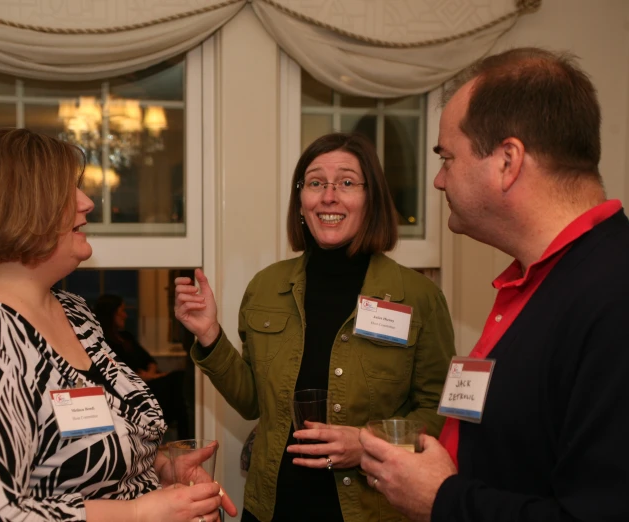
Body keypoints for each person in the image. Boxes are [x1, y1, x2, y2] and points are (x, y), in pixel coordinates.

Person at [0, 128, 236, 522]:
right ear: (16, 209)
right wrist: (137, 514)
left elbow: (80, 450)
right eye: (66, 191)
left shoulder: (73, 312)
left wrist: (159, 468)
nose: (87, 203)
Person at [358, 47, 629, 522]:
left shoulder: (613, 297)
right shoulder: (541, 279)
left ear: (508, 161)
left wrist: (442, 499)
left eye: (448, 158)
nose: (439, 181)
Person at [174, 132, 456, 522]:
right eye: (316, 182)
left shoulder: (418, 297)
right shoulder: (266, 287)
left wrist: (366, 444)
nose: (329, 196)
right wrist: (209, 335)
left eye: (346, 182)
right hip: (274, 506)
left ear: (370, 198)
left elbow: (438, 410)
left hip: (372, 507)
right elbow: (253, 401)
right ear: (301, 199)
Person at [94, 293, 191, 439]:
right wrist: (145, 377)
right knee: (177, 384)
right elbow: (117, 374)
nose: (125, 315)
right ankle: (182, 437)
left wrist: (151, 375)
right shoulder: (103, 343)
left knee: (179, 384)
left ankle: (180, 435)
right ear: (111, 314)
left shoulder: (126, 336)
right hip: (132, 391)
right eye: (122, 311)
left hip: (149, 382)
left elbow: (150, 361)